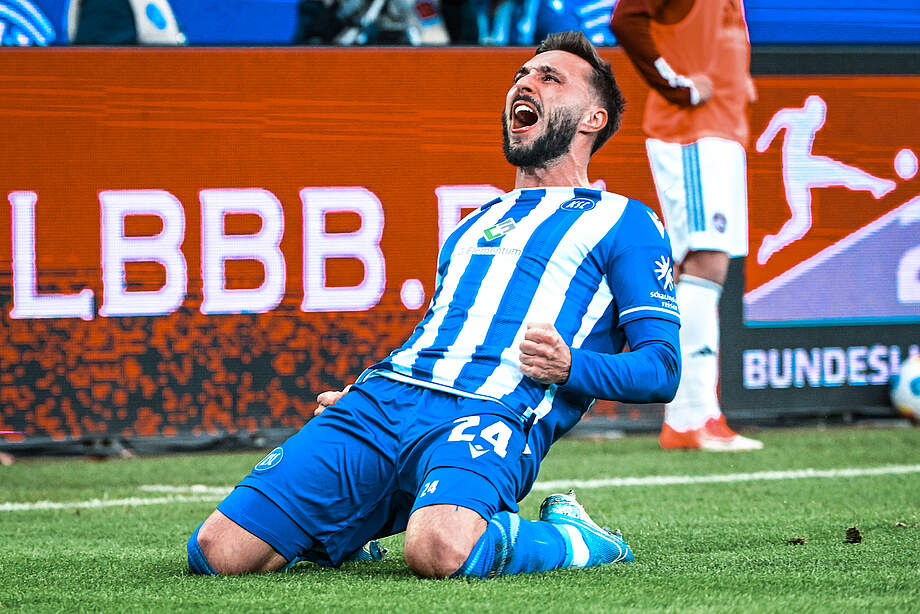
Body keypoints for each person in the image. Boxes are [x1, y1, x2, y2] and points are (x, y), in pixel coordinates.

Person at [186, 30, 681, 579]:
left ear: (593, 118)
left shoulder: (626, 221)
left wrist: (571, 367)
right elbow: (439, 334)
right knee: (218, 552)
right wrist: (361, 389)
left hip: (487, 412)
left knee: (441, 551)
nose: (526, 83)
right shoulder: (475, 224)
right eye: (522, 74)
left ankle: (577, 539)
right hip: (384, 401)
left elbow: (662, 369)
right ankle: (356, 525)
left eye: (550, 78)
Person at [611, 0, 763, 451]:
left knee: (705, 265)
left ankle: (697, 414)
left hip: (718, 129)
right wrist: (676, 84)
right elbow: (626, 17)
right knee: (703, 261)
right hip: (693, 130)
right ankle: (690, 415)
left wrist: (737, 80)